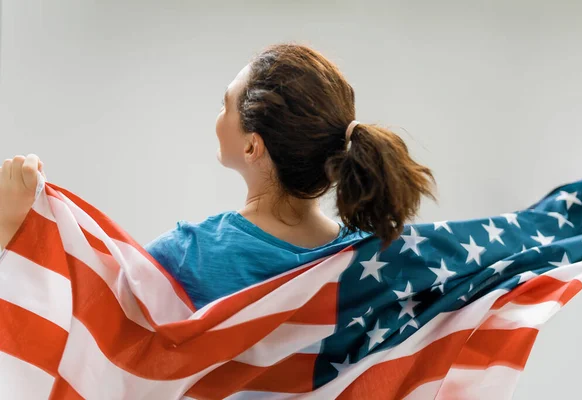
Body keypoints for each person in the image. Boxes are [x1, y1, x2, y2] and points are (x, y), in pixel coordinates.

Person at [0, 43, 435, 310]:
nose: (218, 116)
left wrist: (13, 226)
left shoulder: (191, 257)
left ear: (252, 146)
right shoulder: (374, 264)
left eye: (225, 104)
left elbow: (91, 328)